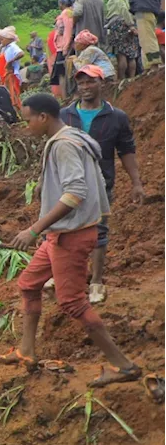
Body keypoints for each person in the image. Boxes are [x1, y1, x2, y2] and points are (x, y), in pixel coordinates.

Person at [0, 94, 142, 388]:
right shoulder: (71, 136)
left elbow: (75, 194)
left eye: (28, 121)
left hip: (70, 236)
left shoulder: (64, 145)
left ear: (43, 118)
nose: (27, 127)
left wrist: (34, 229)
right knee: (28, 284)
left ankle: (124, 365)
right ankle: (26, 350)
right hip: (59, 235)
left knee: (73, 303)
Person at [60, 65, 145, 304]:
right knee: (65, 227)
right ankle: (67, 276)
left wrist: (136, 182)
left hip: (101, 182)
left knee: (98, 230)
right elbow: (53, 148)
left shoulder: (116, 117)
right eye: (82, 83)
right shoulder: (65, 115)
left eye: (91, 82)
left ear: (102, 83)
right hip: (68, 182)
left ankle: (96, 282)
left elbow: (126, 150)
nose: (85, 87)